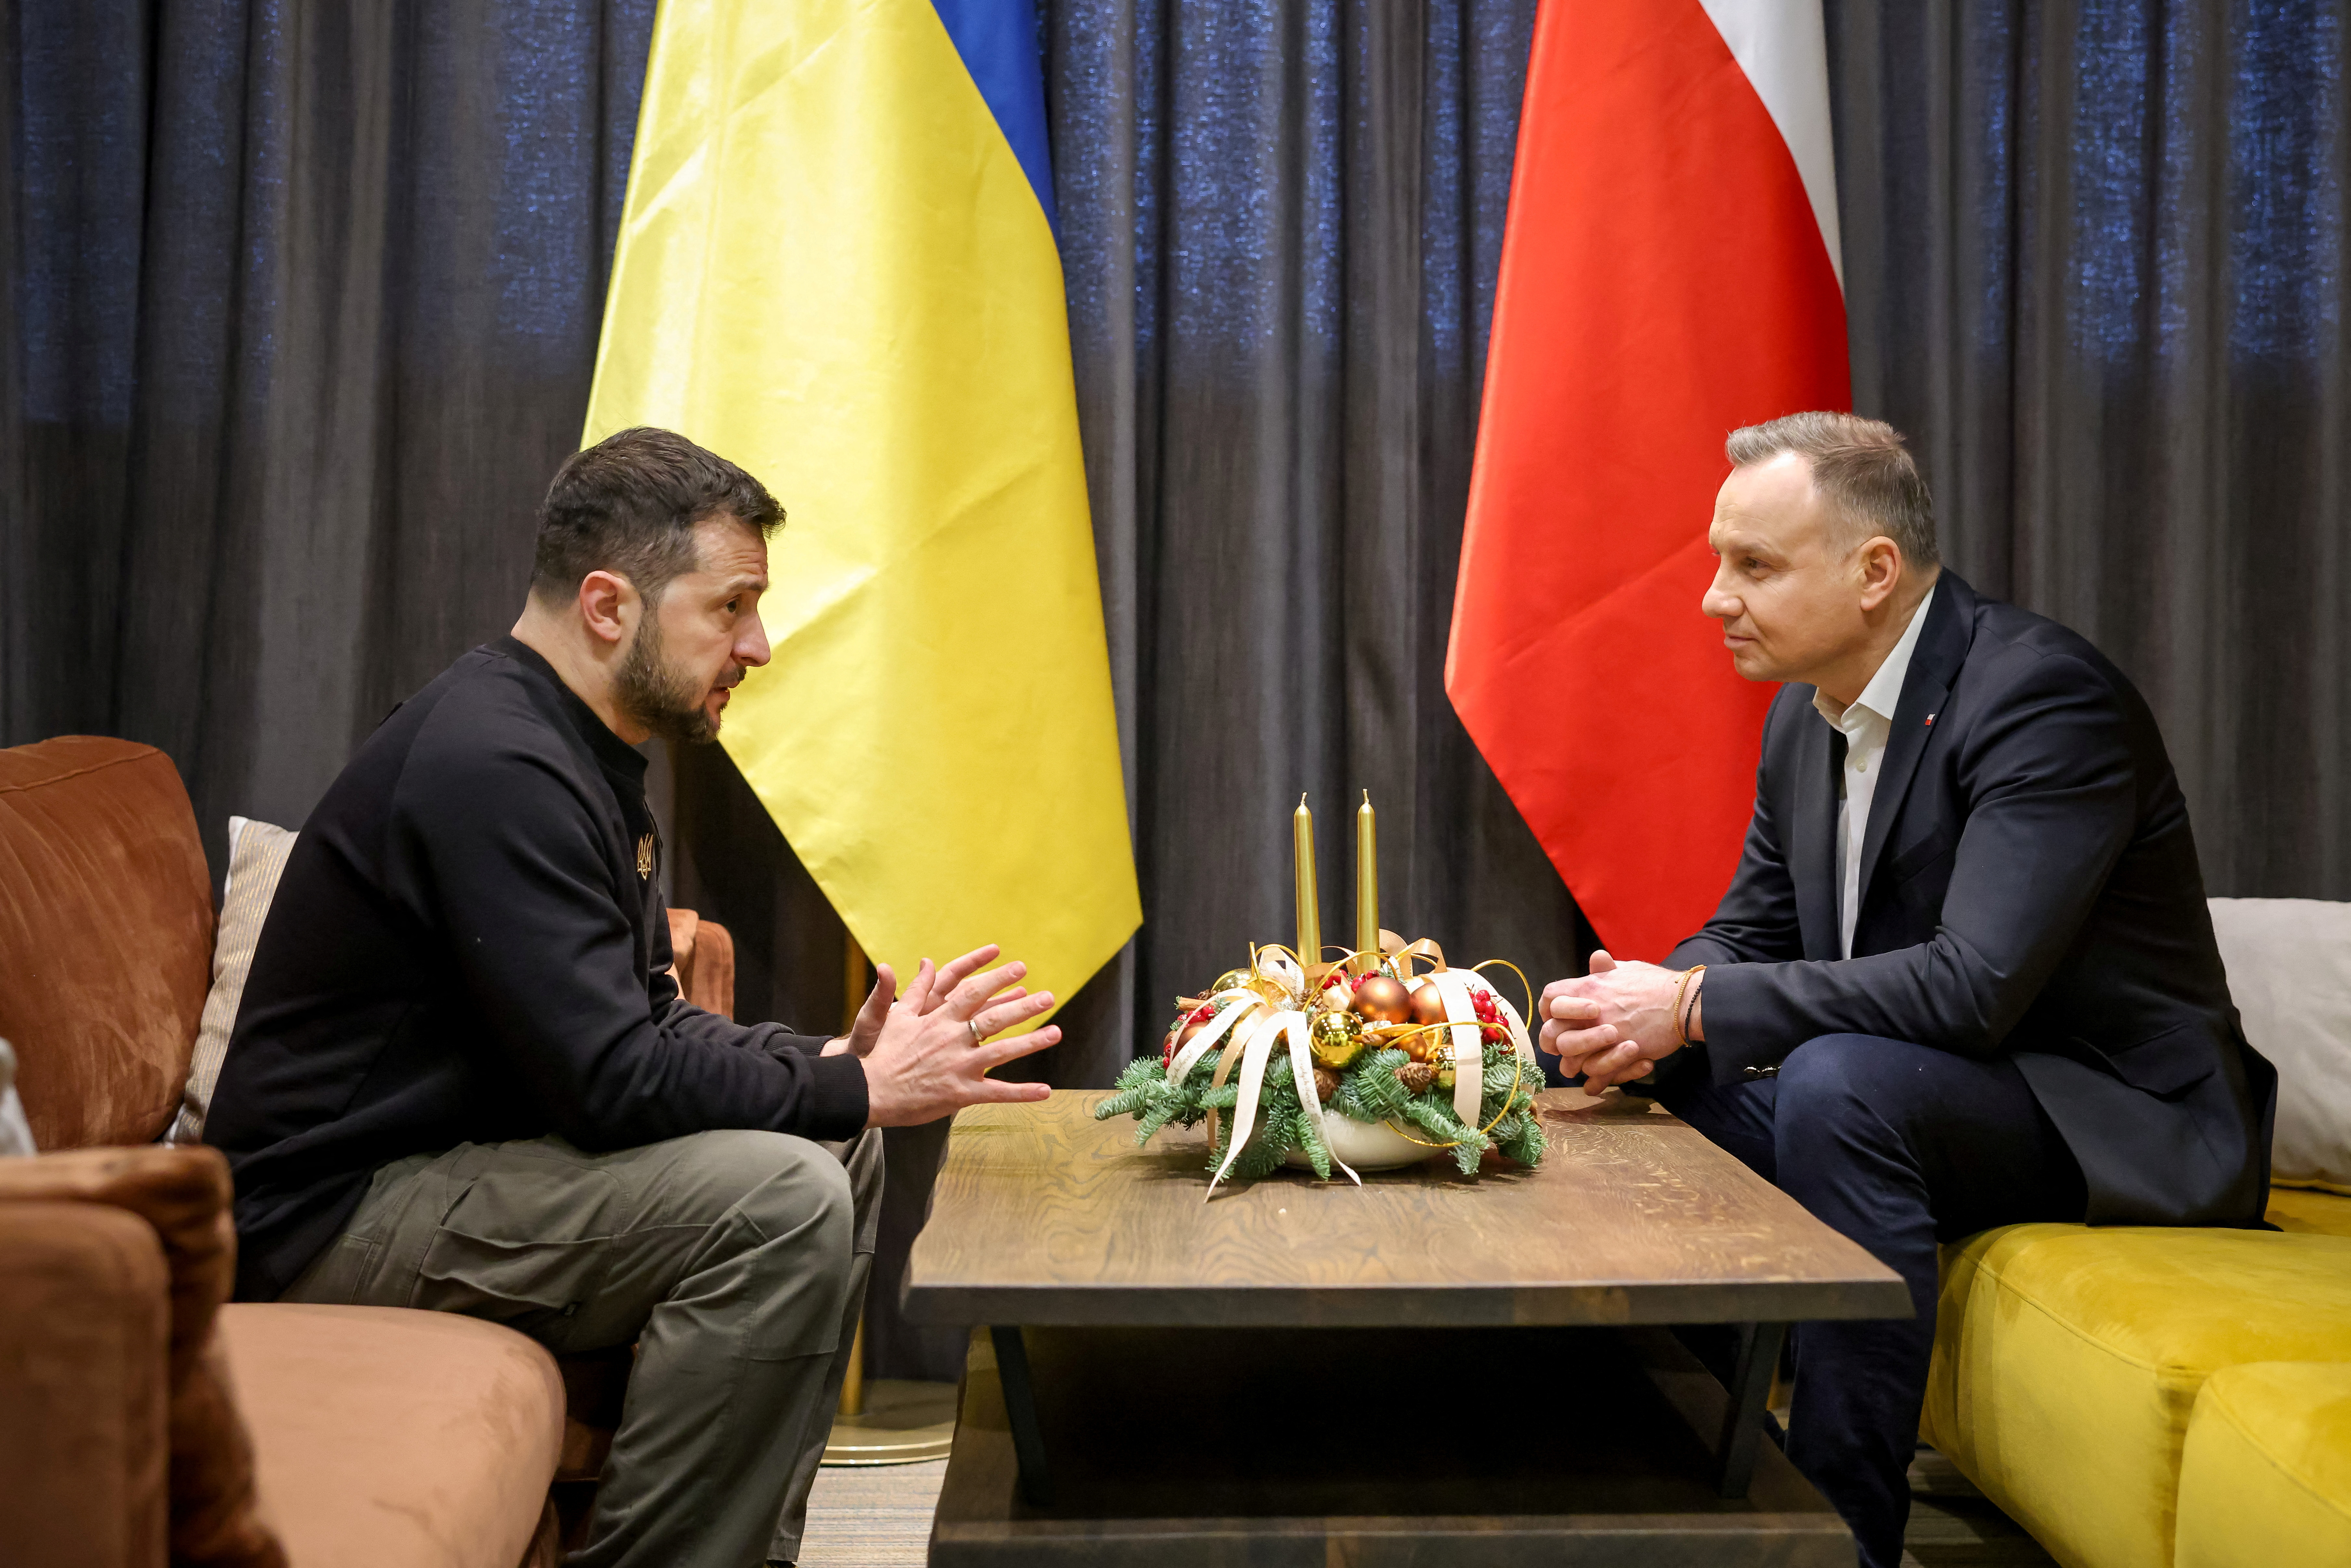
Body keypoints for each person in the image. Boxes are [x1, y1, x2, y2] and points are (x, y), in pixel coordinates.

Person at [204, 427, 1062, 1568]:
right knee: (786, 1195)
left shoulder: (579, 744)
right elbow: (611, 1083)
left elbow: (633, 1024)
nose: (758, 643)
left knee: (832, 1140)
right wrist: (852, 1082)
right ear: (610, 606)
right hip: (329, 1218)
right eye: (731, 606)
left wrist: (830, 1072)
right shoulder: (496, 764)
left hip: (462, 1153)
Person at [1535, 411, 2276, 1568]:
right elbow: (1753, 930)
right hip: (1944, 1093)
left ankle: (1841, 1536)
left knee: (1837, 1085)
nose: (1713, 599)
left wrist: (1691, 1006)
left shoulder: (2043, 699)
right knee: (1617, 1066)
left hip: (2115, 1114)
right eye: (1719, 562)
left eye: (1755, 565)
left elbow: (1973, 988)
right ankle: (1679, 1488)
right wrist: (1645, 1003)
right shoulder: (1806, 711)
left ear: (1875, 570)